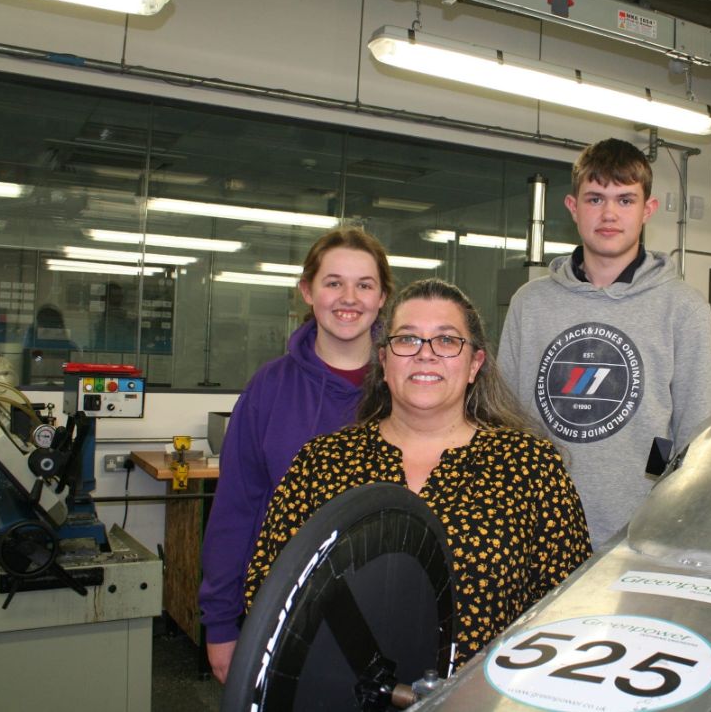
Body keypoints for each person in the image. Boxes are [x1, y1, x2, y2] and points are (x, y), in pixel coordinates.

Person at [243, 279, 591, 665]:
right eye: (407, 340)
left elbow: (568, 608)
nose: (425, 354)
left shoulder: (530, 466)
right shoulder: (321, 463)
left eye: (446, 341)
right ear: (384, 361)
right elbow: (269, 592)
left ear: (474, 364)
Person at [199, 227, 394, 683]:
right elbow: (235, 512)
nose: (349, 298)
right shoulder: (269, 389)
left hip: (389, 606)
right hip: (287, 610)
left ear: (383, 296)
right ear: (307, 291)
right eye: (333, 283)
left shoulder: (408, 384)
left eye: (364, 285)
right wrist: (221, 624)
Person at [498, 138, 711, 545]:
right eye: (595, 199)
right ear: (573, 208)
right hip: (537, 530)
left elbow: (694, 439)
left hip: (638, 535)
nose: (610, 214)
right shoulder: (530, 304)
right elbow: (504, 422)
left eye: (625, 200)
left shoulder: (683, 308)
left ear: (647, 210)